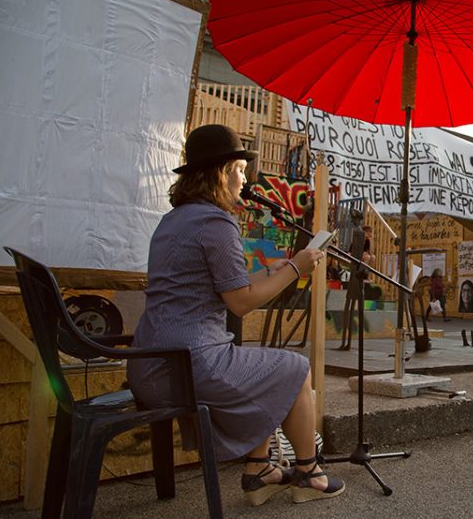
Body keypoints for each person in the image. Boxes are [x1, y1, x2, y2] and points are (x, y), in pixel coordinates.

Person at [126, 124, 344, 507]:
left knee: (262, 366)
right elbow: (241, 303)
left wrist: (276, 270)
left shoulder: (173, 221)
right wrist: (297, 270)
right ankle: (309, 473)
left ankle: (260, 470)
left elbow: (223, 288)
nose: (245, 179)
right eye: (241, 169)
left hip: (151, 365)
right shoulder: (216, 222)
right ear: (221, 171)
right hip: (190, 366)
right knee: (294, 369)